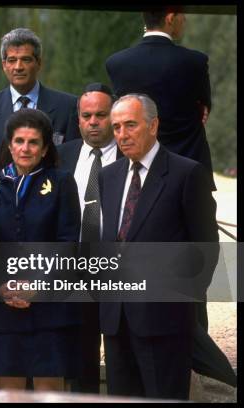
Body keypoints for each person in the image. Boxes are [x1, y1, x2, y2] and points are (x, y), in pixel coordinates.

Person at [99, 94, 218, 399]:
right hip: (116, 322)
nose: (122, 135)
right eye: (116, 128)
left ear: (154, 126)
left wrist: (177, 304)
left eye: (130, 125)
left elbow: (205, 249)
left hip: (166, 325)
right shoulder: (108, 176)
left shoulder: (187, 174)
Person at [0, 108, 81, 392]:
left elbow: (67, 242)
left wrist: (37, 285)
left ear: (45, 148)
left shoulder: (61, 183)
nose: (25, 148)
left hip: (49, 309)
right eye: (19, 141)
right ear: (9, 145)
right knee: (9, 394)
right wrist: (2, 286)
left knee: (50, 392)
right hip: (4, 310)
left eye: (33, 142)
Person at [105, 8, 215, 190]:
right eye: (182, 15)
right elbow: (203, 109)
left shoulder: (117, 63)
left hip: (136, 172)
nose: (185, 20)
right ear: (170, 18)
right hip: (189, 172)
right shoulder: (195, 62)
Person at [56, 82, 120, 394]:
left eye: (101, 115)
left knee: (123, 357)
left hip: (121, 271)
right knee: (81, 364)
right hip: (74, 271)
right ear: (78, 119)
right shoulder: (61, 156)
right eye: (86, 115)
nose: (93, 121)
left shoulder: (131, 154)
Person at [0, 27, 80, 183]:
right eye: (12, 60)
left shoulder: (67, 106)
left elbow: (72, 163)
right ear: (4, 65)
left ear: (39, 63)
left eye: (26, 59)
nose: (18, 67)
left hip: (50, 202)